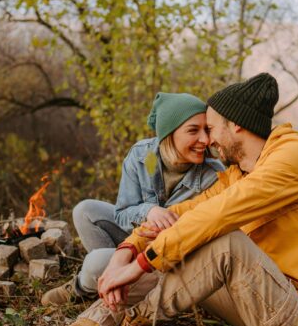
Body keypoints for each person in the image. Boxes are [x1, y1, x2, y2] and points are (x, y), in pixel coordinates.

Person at [2, 73, 298, 326]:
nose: (208, 139)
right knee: (177, 242)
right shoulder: (238, 174)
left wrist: (141, 264)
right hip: (259, 303)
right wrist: (126, 250)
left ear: (237, 126)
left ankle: (134, 321)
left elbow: (217, 216)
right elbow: (183, 214)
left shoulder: (293, 158)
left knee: (222, 242)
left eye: (211, 128)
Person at [40, 92, 224, 307]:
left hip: (164, 255)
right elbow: (122, 212)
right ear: (169, 134)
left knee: (96, 261)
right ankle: (111, 284)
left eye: (207, 130)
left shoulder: (214, 174)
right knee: (84, 210)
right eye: (193, 130)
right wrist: (148, 211)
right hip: (135, 238)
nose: (205, 140)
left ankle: (84, 286)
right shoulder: (142, 156)